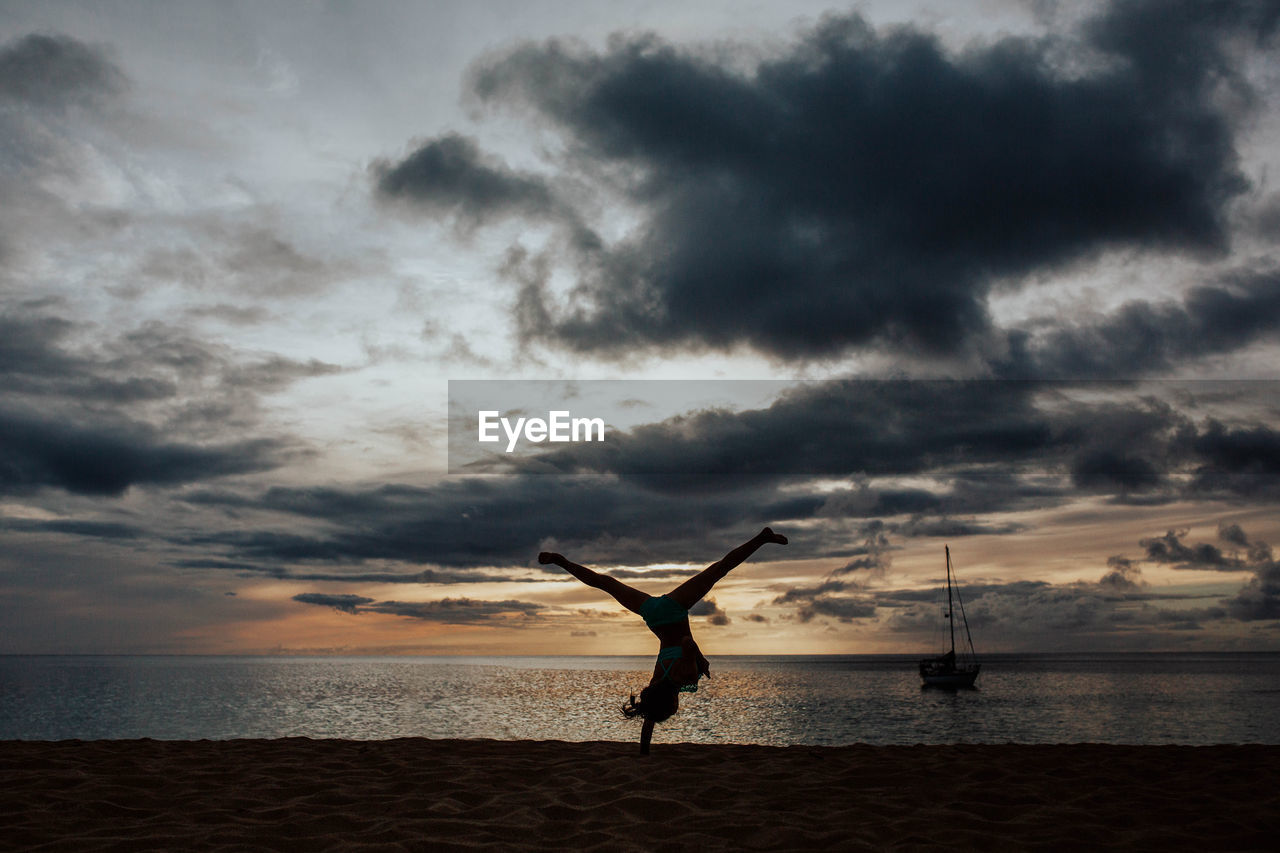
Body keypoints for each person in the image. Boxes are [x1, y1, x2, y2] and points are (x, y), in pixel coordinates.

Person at [538, 527, 788, 754]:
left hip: (673, 609)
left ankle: (762, 538)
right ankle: (562, 562)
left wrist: (701, 661)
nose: (674, 711)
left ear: (672, 703)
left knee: (719, 569)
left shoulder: (684, 677)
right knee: (607, 584)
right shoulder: (657, 682)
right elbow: (649, 715)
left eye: (671, 710)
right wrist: (643, 752)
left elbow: (687, 645)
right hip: (653, 615)